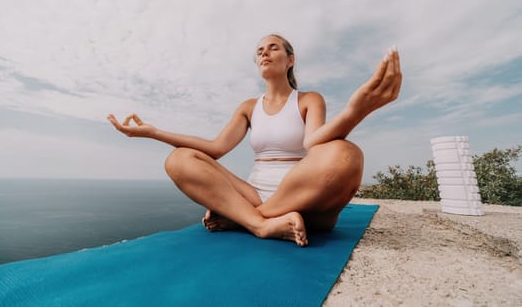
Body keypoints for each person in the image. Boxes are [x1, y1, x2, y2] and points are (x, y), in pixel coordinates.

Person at [108, 34, 402, 247]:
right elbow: (215, 149)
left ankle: (241, 219)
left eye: (273, 48)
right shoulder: (249, 106)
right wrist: (154, 132)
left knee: (347, 154)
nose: (264, 53)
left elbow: (315, 144)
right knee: (179, 159)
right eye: (260, 50)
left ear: (290, 60)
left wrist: (356, 111)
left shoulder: (309, 99)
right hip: (255, 193)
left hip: (305, 200)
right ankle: (261, 224)